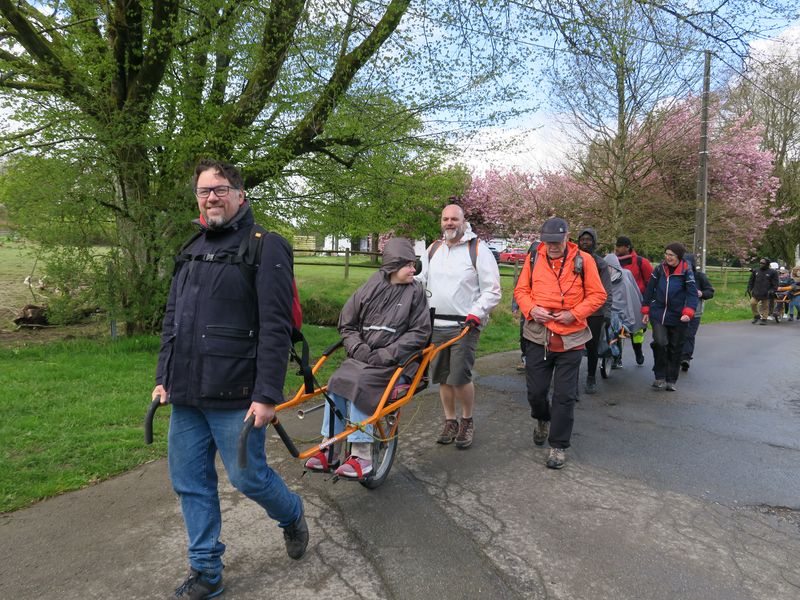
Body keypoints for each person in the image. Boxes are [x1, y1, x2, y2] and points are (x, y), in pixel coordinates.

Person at [152, 159, 308, 599]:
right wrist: (163, 375)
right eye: (204, 191)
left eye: (220, 189)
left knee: (248, 479)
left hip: (237, 392)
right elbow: (173, 319)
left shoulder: (267, 245)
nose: (212, 197)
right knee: (190, 482)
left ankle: (292, 513)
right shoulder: (191, 246)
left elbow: (276, 326)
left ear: (239, 194)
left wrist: (266, 394)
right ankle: (206, 571)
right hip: (186, 392)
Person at [303, 238, 431, 478]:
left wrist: (385, 354)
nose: (414, 270)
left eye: (414, 264)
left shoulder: (416, 293)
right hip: (362, 358)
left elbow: (419, 333)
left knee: (362, 384)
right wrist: (359, 348)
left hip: (394, 363)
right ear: (393, 265)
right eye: (408, 265)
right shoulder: (371, 286)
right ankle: (329, 450)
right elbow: (347, 323)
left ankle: (362, 457)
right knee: (336, 381)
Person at [513, 218, 607, 469]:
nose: (552, 246)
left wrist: (574, 314)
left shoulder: (584, 260)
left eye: (557, 241)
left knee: (565, 396)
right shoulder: (534, 258)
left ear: (567, 237)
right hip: (538, 336)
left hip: (571, 339)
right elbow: (521, 291)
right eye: (548, 242)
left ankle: (558, 446)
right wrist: (532, 310)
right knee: (536, 392)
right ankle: (542, 419)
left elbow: (599, 295)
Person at [417, 203, 502, 449]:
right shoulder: (434, 249)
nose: (449, 223)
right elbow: (420, 279)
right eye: (445, 219)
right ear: (441, 222)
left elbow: (492, 290)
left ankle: (466, 420)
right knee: (443, 377)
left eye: (454, 219)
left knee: (460, 377)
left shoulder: (478, 250)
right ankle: (450, 420)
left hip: (465, 324)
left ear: (464, 222)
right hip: (436, 324)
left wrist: (476, 313)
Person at [641, 242, 698, 391]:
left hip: (679, 316)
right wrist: (646, 309)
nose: (668, 257)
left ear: (678, 256)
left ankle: (671, 379)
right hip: (658, 313)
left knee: (675, 347)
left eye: (671, 255)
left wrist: (688, 312)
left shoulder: (686, 271)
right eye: (666, 254)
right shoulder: (660, 269)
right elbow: (650, 289)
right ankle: (659, 376)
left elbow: (692, 294)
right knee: (660, 342)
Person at [577, 228, 612, 394]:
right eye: (582, 239)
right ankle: (571, 381)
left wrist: (607, 311)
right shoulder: (572, 260)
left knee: (592, 347)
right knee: (573, 347)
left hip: (595, 312)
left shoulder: (600, 264)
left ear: (594, 243)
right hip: (574, 311)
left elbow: (606, 289)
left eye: (588, 240)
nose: (585, 242)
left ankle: (591, 377)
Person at [614, 236, 653, 366]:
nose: (616, 249)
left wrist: (647, 301)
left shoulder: (641, 262)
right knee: (616, 327)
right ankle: (617, 356)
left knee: (637, 330)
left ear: (627, 247)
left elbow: (651, 282)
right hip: (618, 301)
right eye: (616, 246)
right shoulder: (613, 262)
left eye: (619, 246)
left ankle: (638, 350)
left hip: (637, 301)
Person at [680, 253, 715, 372]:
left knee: (689, 335)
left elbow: (710, 292)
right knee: (677, 335)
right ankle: (675, 357)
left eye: (688, 265)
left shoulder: (700, 277)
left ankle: (686, 358)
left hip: (695, 312)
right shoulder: (677, 276)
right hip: (677, 311)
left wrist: (702, 293)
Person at [747, 258, 778, 325]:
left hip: (766, 293)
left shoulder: (773, 272)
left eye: (763, 263)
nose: (761, 264)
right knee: (752, 303)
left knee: (765, 306)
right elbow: (751, 280)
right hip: (756, 292)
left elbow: (775, 284)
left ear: (767, 264)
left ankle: (764, 319)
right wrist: (749, 288)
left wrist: (772, 290)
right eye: (760, 262)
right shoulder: (756, 271)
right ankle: (756, 316)